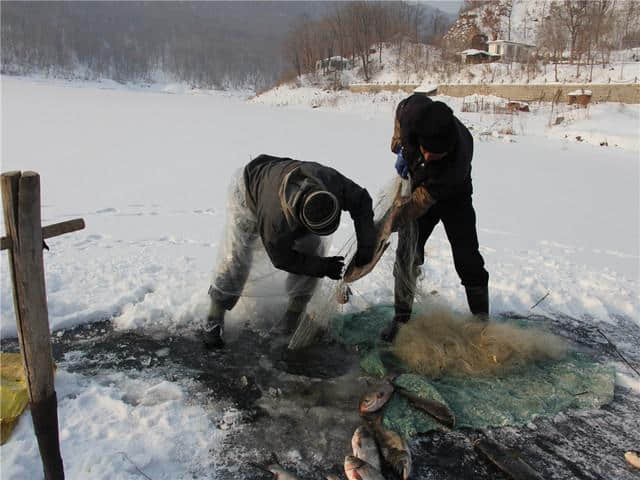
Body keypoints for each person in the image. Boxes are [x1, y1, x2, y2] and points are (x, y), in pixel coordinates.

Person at [204, 154, 376, 348]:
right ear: (301, 219)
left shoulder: (330, 182)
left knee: (312, 248)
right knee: (238, 256)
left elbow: (361, 201)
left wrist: (366, 247)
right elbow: (281, 258)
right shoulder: (276, 222)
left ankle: (293, 315)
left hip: (282, 177)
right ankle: (214, 316)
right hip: (247, 191)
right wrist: (322, 267)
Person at [382, 94, 489, 342]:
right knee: (407, 255)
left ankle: (482, 322)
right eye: (426, 151)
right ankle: (401, 319)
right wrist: (399, 140)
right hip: (418, 183)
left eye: (436, 155)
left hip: (453, 196)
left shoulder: (458, 158)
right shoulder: (414, 113)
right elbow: (402, 109)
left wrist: (388, 225)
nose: (429, 157)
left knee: (467, 256)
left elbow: (419, 203)